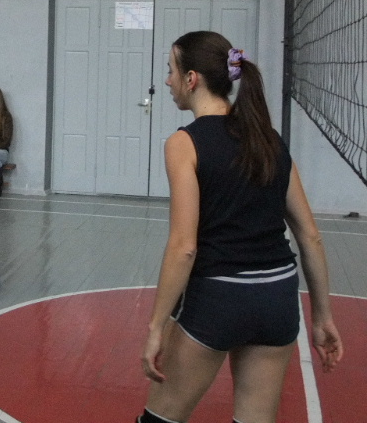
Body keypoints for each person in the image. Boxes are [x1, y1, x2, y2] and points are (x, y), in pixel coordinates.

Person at [137, 31, 343, 423]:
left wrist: (155, 326)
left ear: (192, 79)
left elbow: (184, 246)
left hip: (219, 297)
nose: (167, 81)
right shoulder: (270, 140)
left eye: (171, 70)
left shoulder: (184, 143)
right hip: (277, 298)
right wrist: (322, 317)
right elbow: (310, 236)